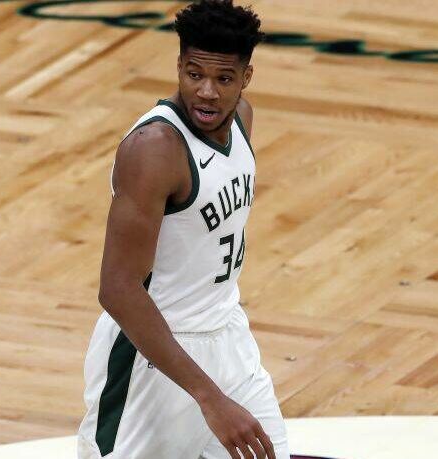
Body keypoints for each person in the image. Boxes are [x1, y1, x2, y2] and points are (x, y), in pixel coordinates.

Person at [76, 1, 289, 458]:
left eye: (223, 79)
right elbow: (117, 288)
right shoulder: (154, 149)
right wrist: (209, 398)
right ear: (178, 66)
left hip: (228, 335)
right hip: (151, 357)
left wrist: (220, 385)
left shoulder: (242, 120)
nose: (207, 93)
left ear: (245, 78)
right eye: (195, 75)